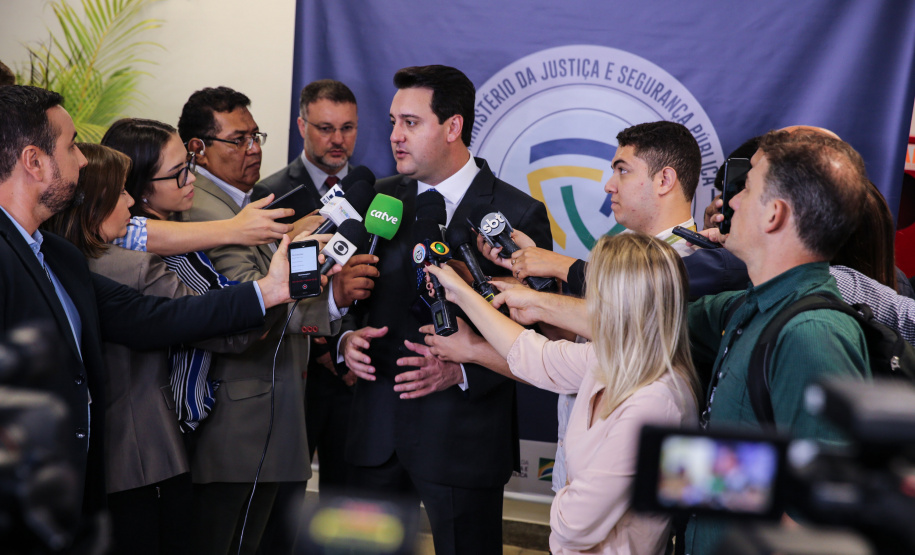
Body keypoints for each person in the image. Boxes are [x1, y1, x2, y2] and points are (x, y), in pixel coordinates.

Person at [489, 129, 873, 554]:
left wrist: (618, 465)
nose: (729, 202)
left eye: (746, 188)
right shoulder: (745, 308)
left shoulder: (812, 335)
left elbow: (820, 518)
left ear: (774, 215)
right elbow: (639, 326)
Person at [0, 85, 302, 551]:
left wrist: (269, 290)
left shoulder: (58, 256)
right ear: (34, 161)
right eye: (72, 145)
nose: (83, 160)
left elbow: (155, 317)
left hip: (73, 495)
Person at [339, 65, 552, 555]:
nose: (394, 136)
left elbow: (539, 335)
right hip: (376, 434)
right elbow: (357, 292)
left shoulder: (517, 214)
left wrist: (463, 369)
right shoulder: (382, 199)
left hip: (463, 439)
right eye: (393, 122)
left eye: (410, 123)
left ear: (452, 127)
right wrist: (347, 337)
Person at [43, 143, 269, 554]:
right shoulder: (131, 265)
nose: (131, 200)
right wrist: (270, 295)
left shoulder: (53, 261)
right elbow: (187, 323)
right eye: (121, 192)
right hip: (143, 458)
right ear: (93, 203)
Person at [427, 233, 699, 554]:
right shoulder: (609, 356)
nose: (585, 306)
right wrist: (462, 294)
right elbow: (534, 355)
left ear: (622, 304)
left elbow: (573, 526)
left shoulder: (656, 401)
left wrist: (564, 494)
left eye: (595, 293)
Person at [177, 85, 356, 555]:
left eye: (256, 136)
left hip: (270, 412)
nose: (254, 149)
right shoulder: (203, 211)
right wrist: (332, 299)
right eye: (239, 140)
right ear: (198, 148)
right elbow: (249, 299)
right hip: (237, 422)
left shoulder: (245, 201)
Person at [254, 79, 366, 494]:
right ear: (301, 126)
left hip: (360, 370)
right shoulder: (271, 194)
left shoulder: (381, 193)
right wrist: (325, 349)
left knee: (351, 497)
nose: (338, 140)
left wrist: (352, 345)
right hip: (297, 370)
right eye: (325, 128)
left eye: (348, 128)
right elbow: (266, 282)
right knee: (283, 497)